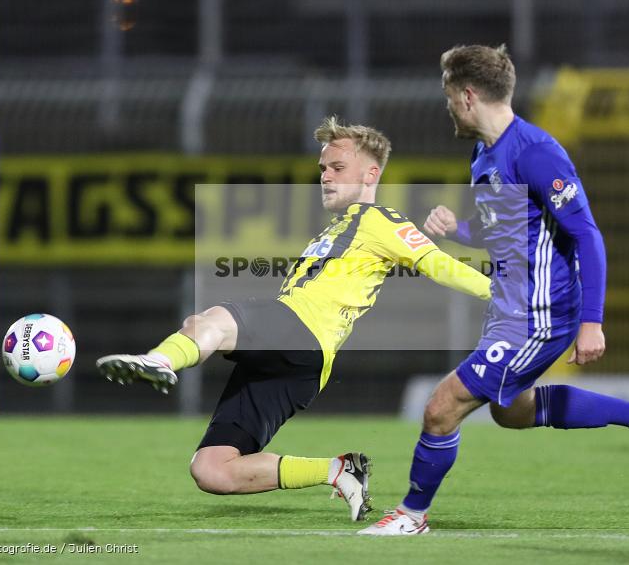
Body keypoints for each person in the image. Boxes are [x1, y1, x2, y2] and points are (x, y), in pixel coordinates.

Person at [358, 44, 629, 537]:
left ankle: (410, 514)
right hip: (511, 309)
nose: (448, 106)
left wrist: (592, 321)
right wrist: (461, 231)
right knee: (510, 411)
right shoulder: (484, 154)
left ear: (468, 95)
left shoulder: (535, 152)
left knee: (441, 407)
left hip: (541, 315)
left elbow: (587, 235)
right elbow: (511, 231)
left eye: (450, 96)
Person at [96, 116, 494, 522]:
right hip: (299, 364)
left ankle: (160, 361)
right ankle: (340, 471)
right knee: (212, 470)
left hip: (300, 330)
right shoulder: (339, 228)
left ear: (371, 173)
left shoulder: (381, 221)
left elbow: (440, 265)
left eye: (337, 168)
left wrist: (502, 295)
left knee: (212, 318)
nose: (325, 176)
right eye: (323, 168)